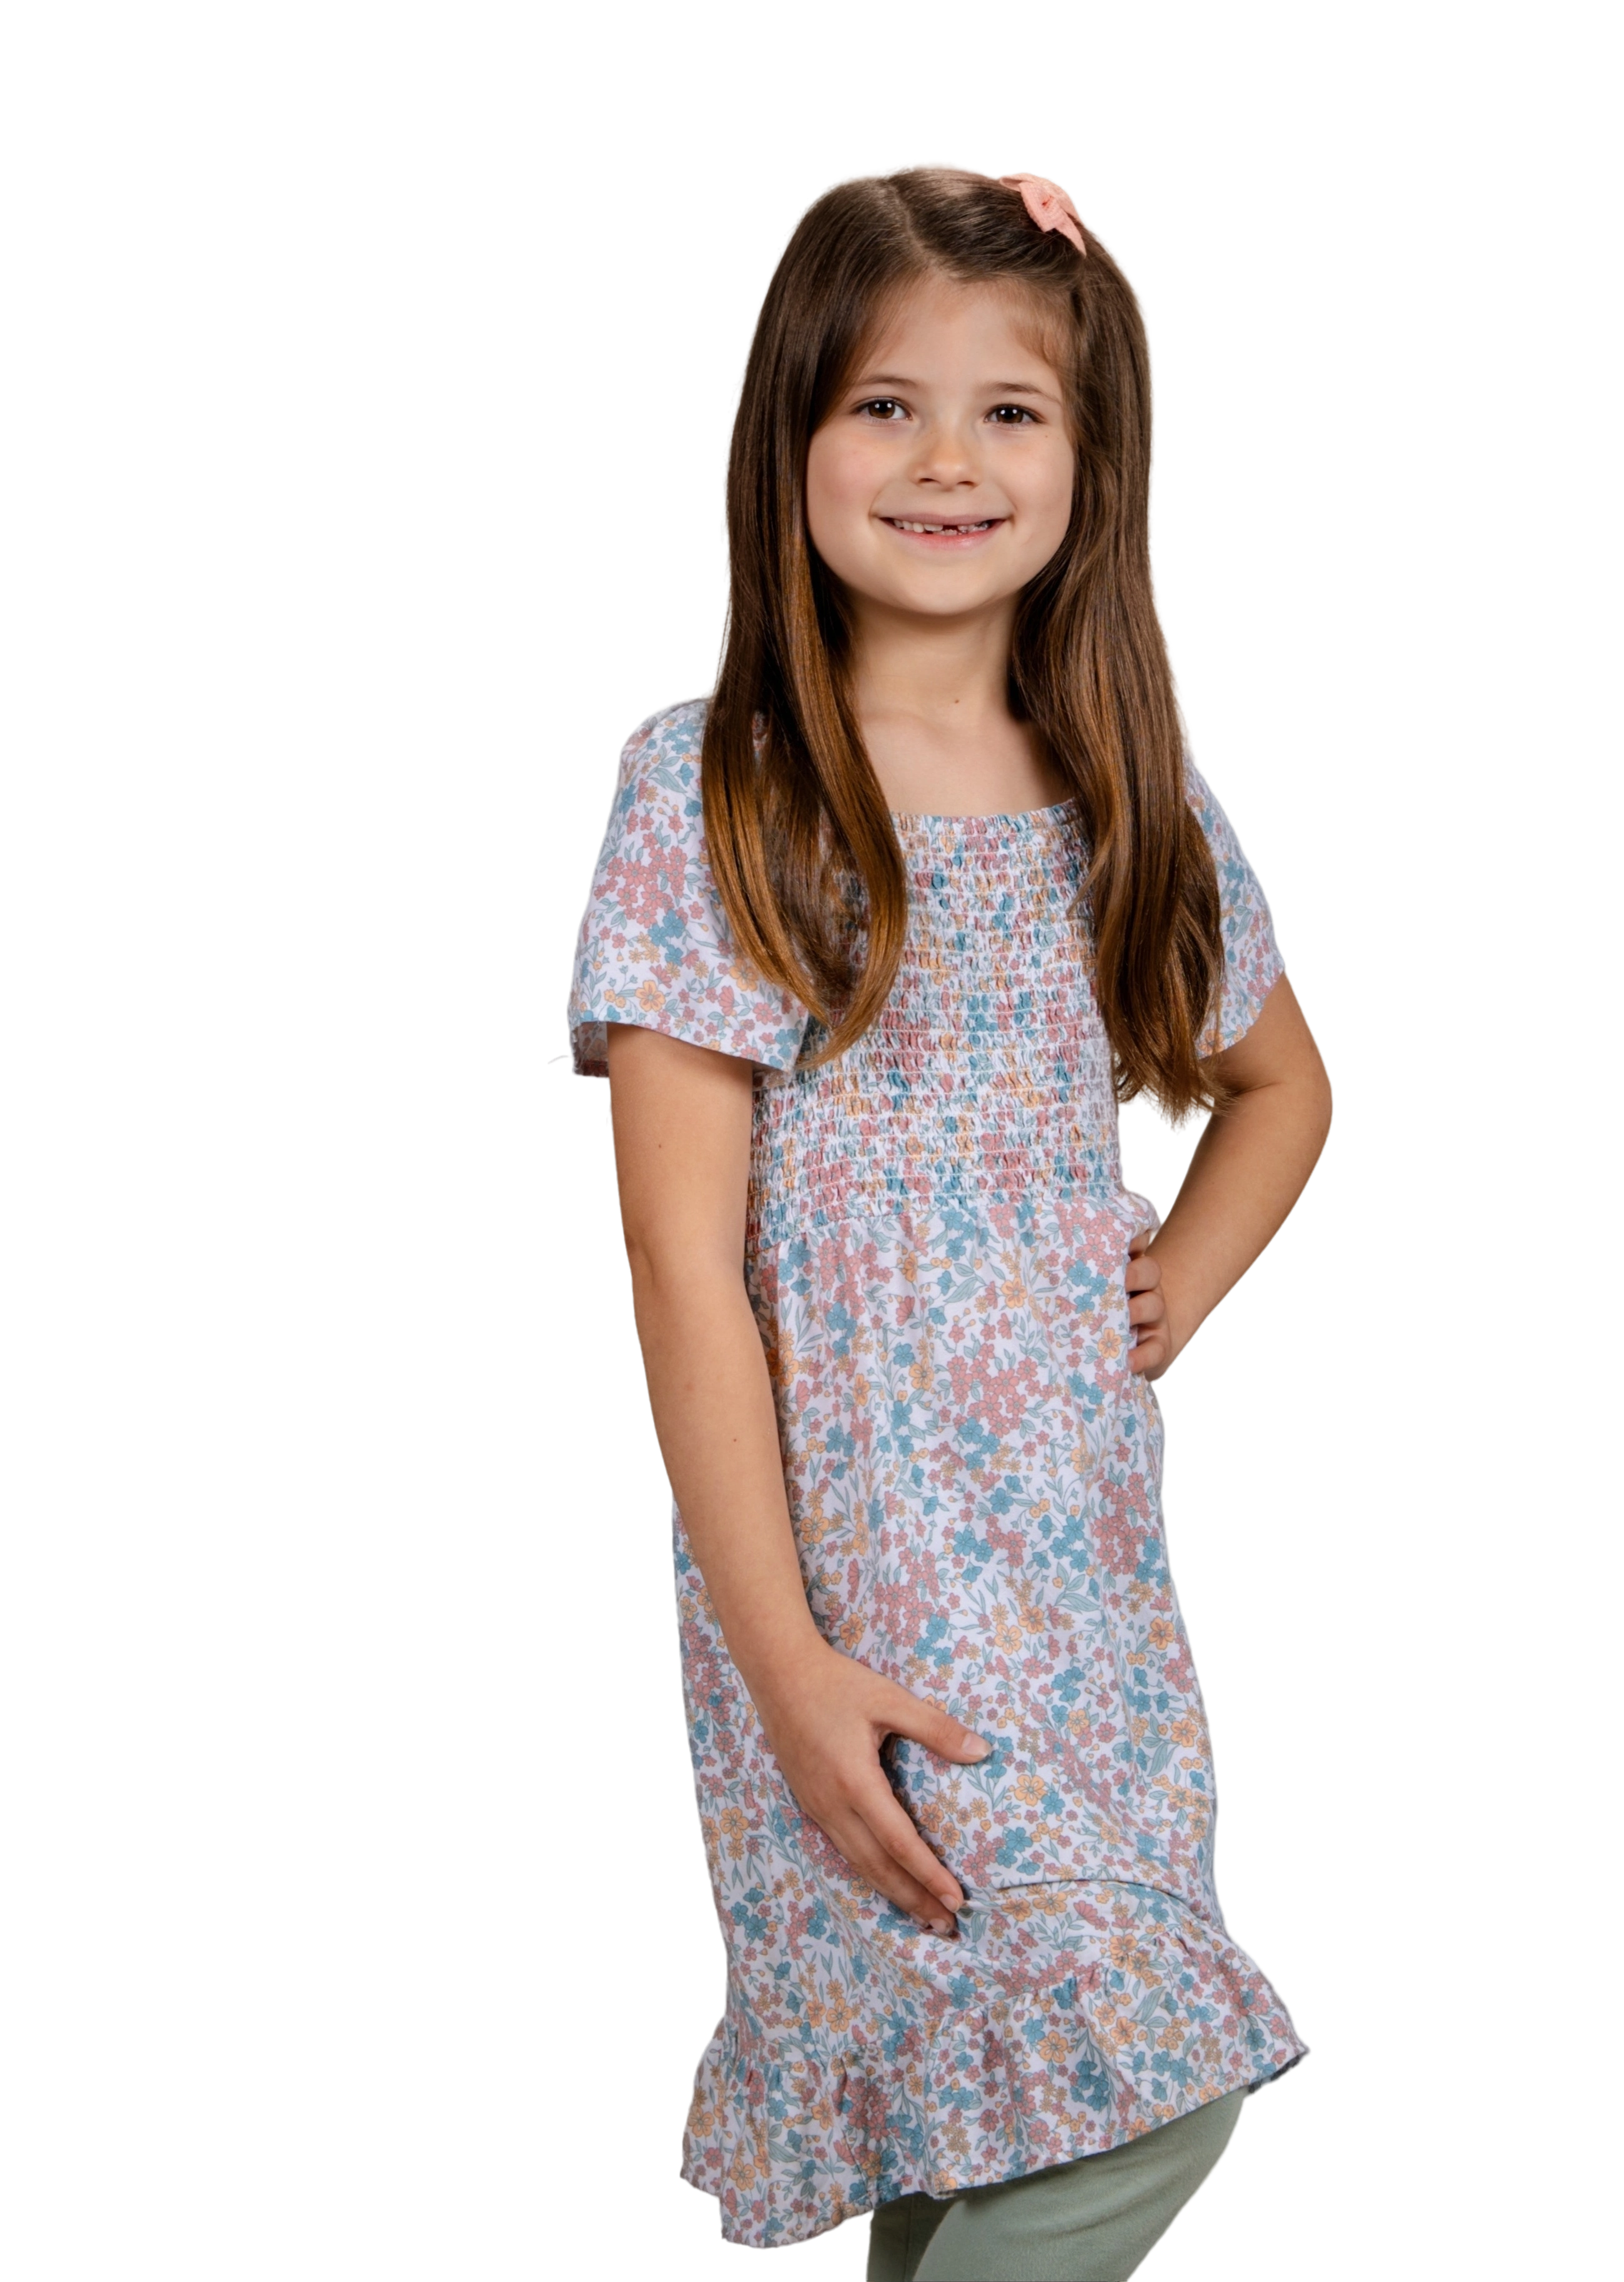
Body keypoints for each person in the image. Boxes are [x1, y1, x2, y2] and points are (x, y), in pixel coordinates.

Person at [558, 157, 1333, 2281]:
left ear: (1088, 461)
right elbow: (679, 1271)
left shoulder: (1131, 798)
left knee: (1033, 2102)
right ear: (787, 437)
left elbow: (1285, 1093)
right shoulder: (716, 790)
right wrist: (787, 1664)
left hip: (1082, 1590)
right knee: (1040, 2077)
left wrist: (1178, 1279)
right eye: (884, 405)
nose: (944, 462)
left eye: (1009, 411)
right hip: (845, 1580)